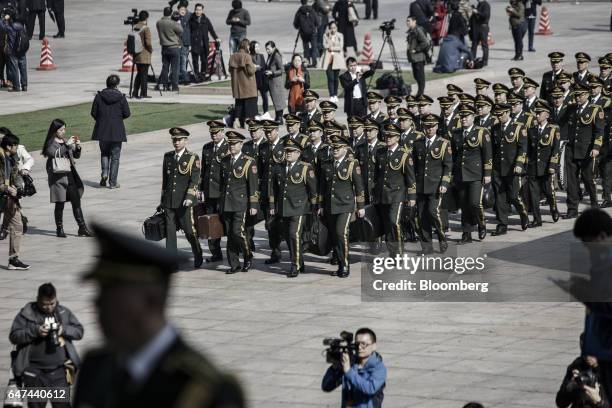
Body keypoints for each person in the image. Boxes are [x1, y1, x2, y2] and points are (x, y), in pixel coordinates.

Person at [73, 224, 245, 408]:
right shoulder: (96, 367)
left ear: (151, 300)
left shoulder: (204, 390)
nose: (97, 304)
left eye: (109, 294)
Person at [10, 283, 83, 407]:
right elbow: (15, 336)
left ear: (55, 299)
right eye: (44, 304)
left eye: (52, 303)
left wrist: (63, 330)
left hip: (59, 374)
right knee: (36, 406)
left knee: (62, 406)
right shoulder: (27, 314)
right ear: (38, 299)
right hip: (35, 374)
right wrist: (35, 331)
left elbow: (78, 331)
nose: (48, 307)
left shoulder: (63, 312)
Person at [318, 129, 365, 277]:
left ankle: (345, 265)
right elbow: (322, 187)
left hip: (345, 205)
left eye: (337, 148)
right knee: (334, 236)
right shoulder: (326, 164)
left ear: (345, 148)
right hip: (330, 205)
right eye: (333, 148)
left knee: (341, 233)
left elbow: (359, 186)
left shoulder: (352, 164)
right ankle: (339, 263)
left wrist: (361, 207)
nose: (335, 151)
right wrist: (320, 205)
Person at [268, 139, 317, 278]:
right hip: (284, 208)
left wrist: (314, 207)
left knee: (293, 234)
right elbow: (273, 189)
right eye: (286, 151)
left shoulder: (305, 168)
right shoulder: (280, 167)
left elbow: (313, 189)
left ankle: (294, 265)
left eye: (290, 151)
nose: (287, 154)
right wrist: (272, 205)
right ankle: (300, 261)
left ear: (298, 153)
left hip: (299, 208)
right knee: (289, 237)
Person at [41, 119, 92, 238]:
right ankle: (59, 228)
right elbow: (55, 154)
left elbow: (75, 156)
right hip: (58, 178)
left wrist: (78, 147)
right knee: (60, 204)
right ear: (54, 130)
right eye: (61, 130)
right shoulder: (50, 143)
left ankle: (82, 228)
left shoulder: (64, 141)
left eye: (64, 129)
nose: (63, 132)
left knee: (76, 202)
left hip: (70, 176)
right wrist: (67, 145)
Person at [561, 84, 605, 218]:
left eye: (580, 95)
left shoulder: (595, 109)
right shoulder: (572, 108)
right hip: (571, 150)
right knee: (572, 181)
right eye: (576, 95)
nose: (578, 98)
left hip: (586, 150)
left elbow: (599, 131)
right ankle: (572, 209)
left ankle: (594, 206)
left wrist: (596, 147)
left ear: (586, 95)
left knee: (588, 179)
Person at [450, 104, 492, 243]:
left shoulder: (481, 132)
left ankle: (481, 224)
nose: (463, 119)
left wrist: (487, 173)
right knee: (464, 205)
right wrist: (452, 173)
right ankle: (466, 234)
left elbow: (487, 154)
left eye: (466, 117)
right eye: (461, 117)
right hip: (461, 175)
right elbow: (454, 156)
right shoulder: (456, 133)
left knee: (474, 203)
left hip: (476, 174)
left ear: (473, 117)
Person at [219, 131, 259, 274]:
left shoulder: (248, 161)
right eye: (230, 143)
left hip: (241, 203)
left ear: (241, 144)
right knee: (230, 234)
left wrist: (253, 204)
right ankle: (234, 264)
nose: (231, 146)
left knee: (238, 232)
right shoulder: (224, 160)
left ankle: (247, 255)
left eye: (234, 143)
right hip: (227, 203)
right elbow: (222, 184)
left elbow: (253, 185)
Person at [412, 114, 452, 254]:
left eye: (432, 126)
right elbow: (415, 167)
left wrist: (444, 183)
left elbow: (448, 166)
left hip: (436, 186)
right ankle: (427, 246)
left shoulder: (444, 143)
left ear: (437, 127)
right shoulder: (418, 143)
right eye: (427, 126)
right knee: (422, 217)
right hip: (421, 186)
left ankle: (441, 237)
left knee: (433, 212)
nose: (429, 129)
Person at [374, 124, 416, 257]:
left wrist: (412, 197)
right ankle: (392, 252)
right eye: (386, 135)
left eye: (391, 136)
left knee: (394, 222)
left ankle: (398, 252)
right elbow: (377, 176)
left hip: (397, 195)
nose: (388, 138)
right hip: (383, 195)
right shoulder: (380, 152)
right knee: (387, 225)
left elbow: (410, 178)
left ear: (397, 138)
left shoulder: (404, 155)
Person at [489, 103, 529, 236]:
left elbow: (523, 148)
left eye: (501, 114)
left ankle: (523, 214)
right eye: (497, 115)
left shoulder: (518, 127)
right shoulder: (494, 128)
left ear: (507, 113)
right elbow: (493, 150)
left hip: (513, 169)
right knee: (500, 198)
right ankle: (502, 225)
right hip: (498, 169)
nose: (499, 117)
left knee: (514, 196)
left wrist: (519, 163)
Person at [322, 328, 387, 408]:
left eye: (364, 344)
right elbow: (326, 386)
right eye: (357, 344)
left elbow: (370, 388)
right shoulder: (350, 364)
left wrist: (349, 371)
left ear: (374, 346)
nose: (359, 347)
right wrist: (335, 367)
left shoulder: (378, 368)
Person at [91, 74, 131, 189]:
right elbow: (127, 113)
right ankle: (113, 182)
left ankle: (104, 174)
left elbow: (94, 112)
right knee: (115, 157)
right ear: (116, 85)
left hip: (102, 130)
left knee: (104, 153)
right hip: (117, 131)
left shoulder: (99, 96)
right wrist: (117, 119)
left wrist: (101, 120)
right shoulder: (121, 97)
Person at [526, 100, 560, 227]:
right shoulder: (531, 130)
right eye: (536, 113)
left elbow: (556, 149)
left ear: (547, 114)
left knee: (549, 192)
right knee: (534, 195)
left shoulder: (553, 129)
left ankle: (553, 208)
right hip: (533, 167)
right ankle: (537, 219)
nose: (537, 115)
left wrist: (553, 165)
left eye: (540, 113)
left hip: (546, 167)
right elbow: (528, 149)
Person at [199, 120, 227, 262]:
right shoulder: (207, 148)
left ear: (222, 132)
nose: (213, 136)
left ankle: (238, 250)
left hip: (223, 193)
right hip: (210, 192)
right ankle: (216, 253)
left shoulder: (229, 147)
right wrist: (200, 189)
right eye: (212, 133)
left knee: (226, 222)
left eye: (216, 133)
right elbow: (203, 171)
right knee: (210, 223)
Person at [0, 132, 29, 269]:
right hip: (4, 195)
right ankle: (13, 259)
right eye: (15, 146)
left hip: (8, 198)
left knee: (17, 225)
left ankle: (13, 259)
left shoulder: (10, 158)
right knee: (17, 225)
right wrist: (7, 188)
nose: (17, 148)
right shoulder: (1, 159)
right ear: (8, 146)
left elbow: (15, 173)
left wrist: (19, 186)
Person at [0, 127, 33, 241]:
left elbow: (29, 159)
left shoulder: (17, 149)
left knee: (10, 208)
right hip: (4, 186)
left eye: (3, 138)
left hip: (14, 183)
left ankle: (5, 229)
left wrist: (25, 169)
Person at [260, 120, 286, 264]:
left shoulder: (284, 146)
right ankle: (275, 251)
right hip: (266, 191)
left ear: (276, 131)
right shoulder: (263, 147)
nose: (268, 134)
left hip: (280, 192)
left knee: (283, 223)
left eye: (270, 131)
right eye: (266, 132)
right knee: (270, 224)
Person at [589, 77, 612, 208]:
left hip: (607, 144)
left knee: (607, 171)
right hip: (602, 145)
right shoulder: (604, 108)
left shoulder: (606, 106)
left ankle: (607, 196)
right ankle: (606, 197)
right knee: (605, 172)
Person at [229, 38, 257, 128]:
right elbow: (250, 71)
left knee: (239, 104)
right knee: (249, 105)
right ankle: (246, 123)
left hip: (237, 86)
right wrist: (255, 67)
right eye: (248, 45)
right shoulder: (247, 56)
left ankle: (236, 122)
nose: (249, 47)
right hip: (248, 86)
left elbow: (230, 70)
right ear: (246, 46)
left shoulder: (233, 56)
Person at [188, 3, 218, 82]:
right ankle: (196, 75)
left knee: (204, 61)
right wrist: (189, 44)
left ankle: (203, 75)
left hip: (204, 44)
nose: (198, 11)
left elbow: (211, 30)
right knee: (195, 61)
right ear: (194, 10)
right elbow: (188, 32)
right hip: (194, 44)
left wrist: (216, 38)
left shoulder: (205, 19)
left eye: (199, 10)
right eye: (196, 10)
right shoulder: (191, 19)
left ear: (202, 10)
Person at [156, 7, 183, 92]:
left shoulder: (159, 22)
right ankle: (174, 86)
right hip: (174, 47)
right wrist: (178, 22)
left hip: (164, 47)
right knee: (175, 68)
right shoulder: (172, 23)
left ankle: (164, 85)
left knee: (165, 67)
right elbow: (181, 30)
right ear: (171, 13)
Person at [1, 9, 28, 92]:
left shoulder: (9, 27)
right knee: (23, 67)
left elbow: (1, 24)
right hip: (22, 50)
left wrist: (4, 18)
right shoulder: (20, 26)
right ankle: (24, 85)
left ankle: (16, 86)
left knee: (14, 68)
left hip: (13, 51)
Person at [406, 15, 429, 98]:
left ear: (414, 21)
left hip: (419, 58)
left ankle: (420, 94)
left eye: (409, 21)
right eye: (407, 21)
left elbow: (425, 42)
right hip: (413, 58)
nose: (407, 23)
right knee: (416, 75)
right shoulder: (411, 31)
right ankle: (420, 92)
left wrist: (416, 49)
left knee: (420, 76)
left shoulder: (418, 30)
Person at [132, 10, 153, 98]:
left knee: (139, 74)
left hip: (136, 54)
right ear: (146, 18)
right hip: (144, 55)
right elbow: (148, 43)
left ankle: (135, 92)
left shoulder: (135, 27)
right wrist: (151, 50)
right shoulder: (146, 28)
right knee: (144, 75)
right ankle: (143, 93)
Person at [264, 41, 286, 123]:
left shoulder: (276, 55)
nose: (267, 51)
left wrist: (272, 73)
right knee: (275, 100)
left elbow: (282, 70)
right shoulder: (270, 55)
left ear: (273, 48)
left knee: (278, 100)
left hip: (276, 82)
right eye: (266, 49)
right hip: (272, 82)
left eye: (268, 49)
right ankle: (278, 117)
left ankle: (280, 118)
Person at [293, 0, 320, 67]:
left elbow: (295, 24)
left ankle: (306, 62)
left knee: (306, 48)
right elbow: (317, 21)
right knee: (314, 48)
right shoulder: (312, 10)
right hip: (312, 32)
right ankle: (314, 63)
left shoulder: (299, 11)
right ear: (307, 2)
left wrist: (299, 26)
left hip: (303, 33)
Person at [322, 22, 343, 105]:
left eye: (334, 28)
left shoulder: (340, 35)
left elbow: (340, 47)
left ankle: (335, 94)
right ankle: (331, 95)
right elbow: (324, 46)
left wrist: (332, 48)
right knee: (330, 78)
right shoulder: (325, 35)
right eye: (331, 28)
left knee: (335, 78)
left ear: (336, 28)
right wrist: (330, 38)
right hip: (328, 60)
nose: (333, 29)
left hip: (337, 60)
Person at [250, 41, 268, 114]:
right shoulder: (249, 56)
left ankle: (266, 112)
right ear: (252, 48)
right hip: (254, 80)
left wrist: (259, 68)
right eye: (256, 47)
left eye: (258, 46)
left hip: (262, 79)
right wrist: (256, 68)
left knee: (265, 98)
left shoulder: (261, 55)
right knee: (255, 98)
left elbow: (264, 66)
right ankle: (255, 112)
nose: (258, 48)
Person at [469, 0, 490, 66]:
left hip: (483, 27)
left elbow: (485, 15)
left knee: (484, 44)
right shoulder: (479, 4)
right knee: (474, 44)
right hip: (476, 28)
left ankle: (485, 60)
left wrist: (477, 12)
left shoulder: (485, 5)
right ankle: (472, 59)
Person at [177, 2, 191, 85]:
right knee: (177, 61)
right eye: (180, 9)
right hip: (177, 43)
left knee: (184, 60)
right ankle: (178, 77)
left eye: (183, 9)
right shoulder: (175, 17)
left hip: (185, 43)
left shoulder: (189, 16)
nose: (182, 11)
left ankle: (184, 78)